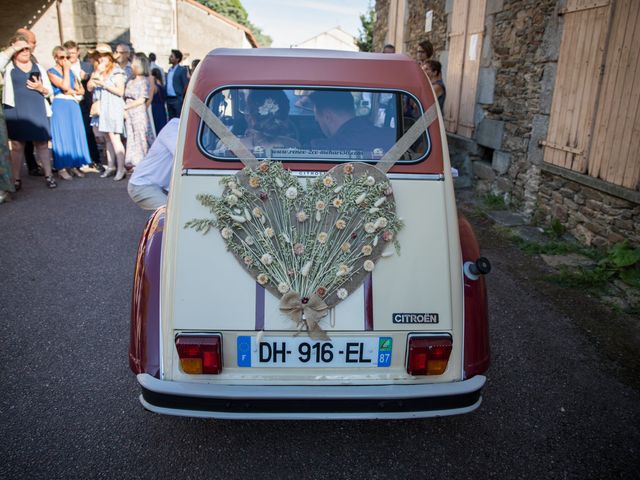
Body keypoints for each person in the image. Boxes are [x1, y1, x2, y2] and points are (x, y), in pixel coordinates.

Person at [1, 34, 57, 189]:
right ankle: (16, 179)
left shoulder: (38, 67)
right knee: (17, 145)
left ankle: (49, 176)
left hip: (37, 107)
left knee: (42, 144)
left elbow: (49, 91)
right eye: (21, 49)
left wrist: (40, 88)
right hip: (15, 109)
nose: (25, 51)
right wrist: (12, 48)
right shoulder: (8, 67)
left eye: (27, 48)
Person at [47, 46, 92, 179]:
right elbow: (65, 87)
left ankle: (74, 165)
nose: (65, 60)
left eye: (67, 57)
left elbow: (81, 90)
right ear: (55, 58)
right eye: (62, 57)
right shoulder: (51, 71)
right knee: (62, 135)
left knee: (74, 134)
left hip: (73, 104)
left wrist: (71, 90)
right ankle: (61, 168)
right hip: (60, 105)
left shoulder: (72, 71)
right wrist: (66, 70)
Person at [87, 43, 126, 181]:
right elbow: (89, 88)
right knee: (107, 139)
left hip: (112, 106)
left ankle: (121, 168)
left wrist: (104, 84)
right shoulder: (97, 70)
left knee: (115, 138)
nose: (101, 58)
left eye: (104, 55)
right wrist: (96, 75)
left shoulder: (116, 71)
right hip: (101, 107)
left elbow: (120, 91)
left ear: (110, 57)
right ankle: (111, 166)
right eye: (99, 55)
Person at [309, 90, 393, 152]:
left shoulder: (321, 149)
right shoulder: (392, 137)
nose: (318, 123)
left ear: (327, 117)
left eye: (318, 120)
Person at [128, 117, 179, 210]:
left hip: (162, 186)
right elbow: (182, 154)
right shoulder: (173, 127)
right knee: (170, 214)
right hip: (143, 184)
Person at [64, 40, 100, 168]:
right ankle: (77, 160)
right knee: (72, 131)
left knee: (88, 132)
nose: (71, 56)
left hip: (85, 102)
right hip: (70, 102)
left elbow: (95, 78)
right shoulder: (63, 66)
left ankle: (95, 159)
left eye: (73, 53)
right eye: (68, 53)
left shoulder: (87, 66)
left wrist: (87, 77)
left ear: (78, 52)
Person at [16, 28, 42, 177]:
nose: (35, 45)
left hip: (35, 100)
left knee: (36, 139)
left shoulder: (33, 58)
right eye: (33, 42)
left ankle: (34, 165)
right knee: (21, 141)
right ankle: (27, 169)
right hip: (21, 103)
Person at [124, 55, 153, 169]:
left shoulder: (144, 81)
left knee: (141, 136)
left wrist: (127, 106)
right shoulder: (130, 80)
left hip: (138, 111)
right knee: (131, 135)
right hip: (130, 111)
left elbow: (142, 99)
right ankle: (132, 160)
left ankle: (142, 160)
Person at [165, 49, 188, 119]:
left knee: (178, 119)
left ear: (177, 59)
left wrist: (181, 97)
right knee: (170, 119)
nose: (170, 58)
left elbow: (185, 85)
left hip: (177, 99)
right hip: (169, 99)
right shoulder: (169, 70)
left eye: (172, 56)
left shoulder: (182, 70)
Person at [150, 67, 167, 133]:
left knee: (157, 125)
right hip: (162, 107)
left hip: (155, 107)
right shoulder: (162, 85)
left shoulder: (154, 86)